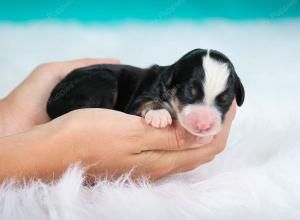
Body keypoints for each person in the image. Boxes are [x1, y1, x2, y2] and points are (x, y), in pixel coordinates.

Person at [0, 58, 237, 183]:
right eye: (190, 96)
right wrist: (152, 110)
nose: (205, 119)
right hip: (87, 87)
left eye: (221, 102)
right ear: (170, 82)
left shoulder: (172, 83)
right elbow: (140, 104)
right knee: (105, 86)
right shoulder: (157, 86)